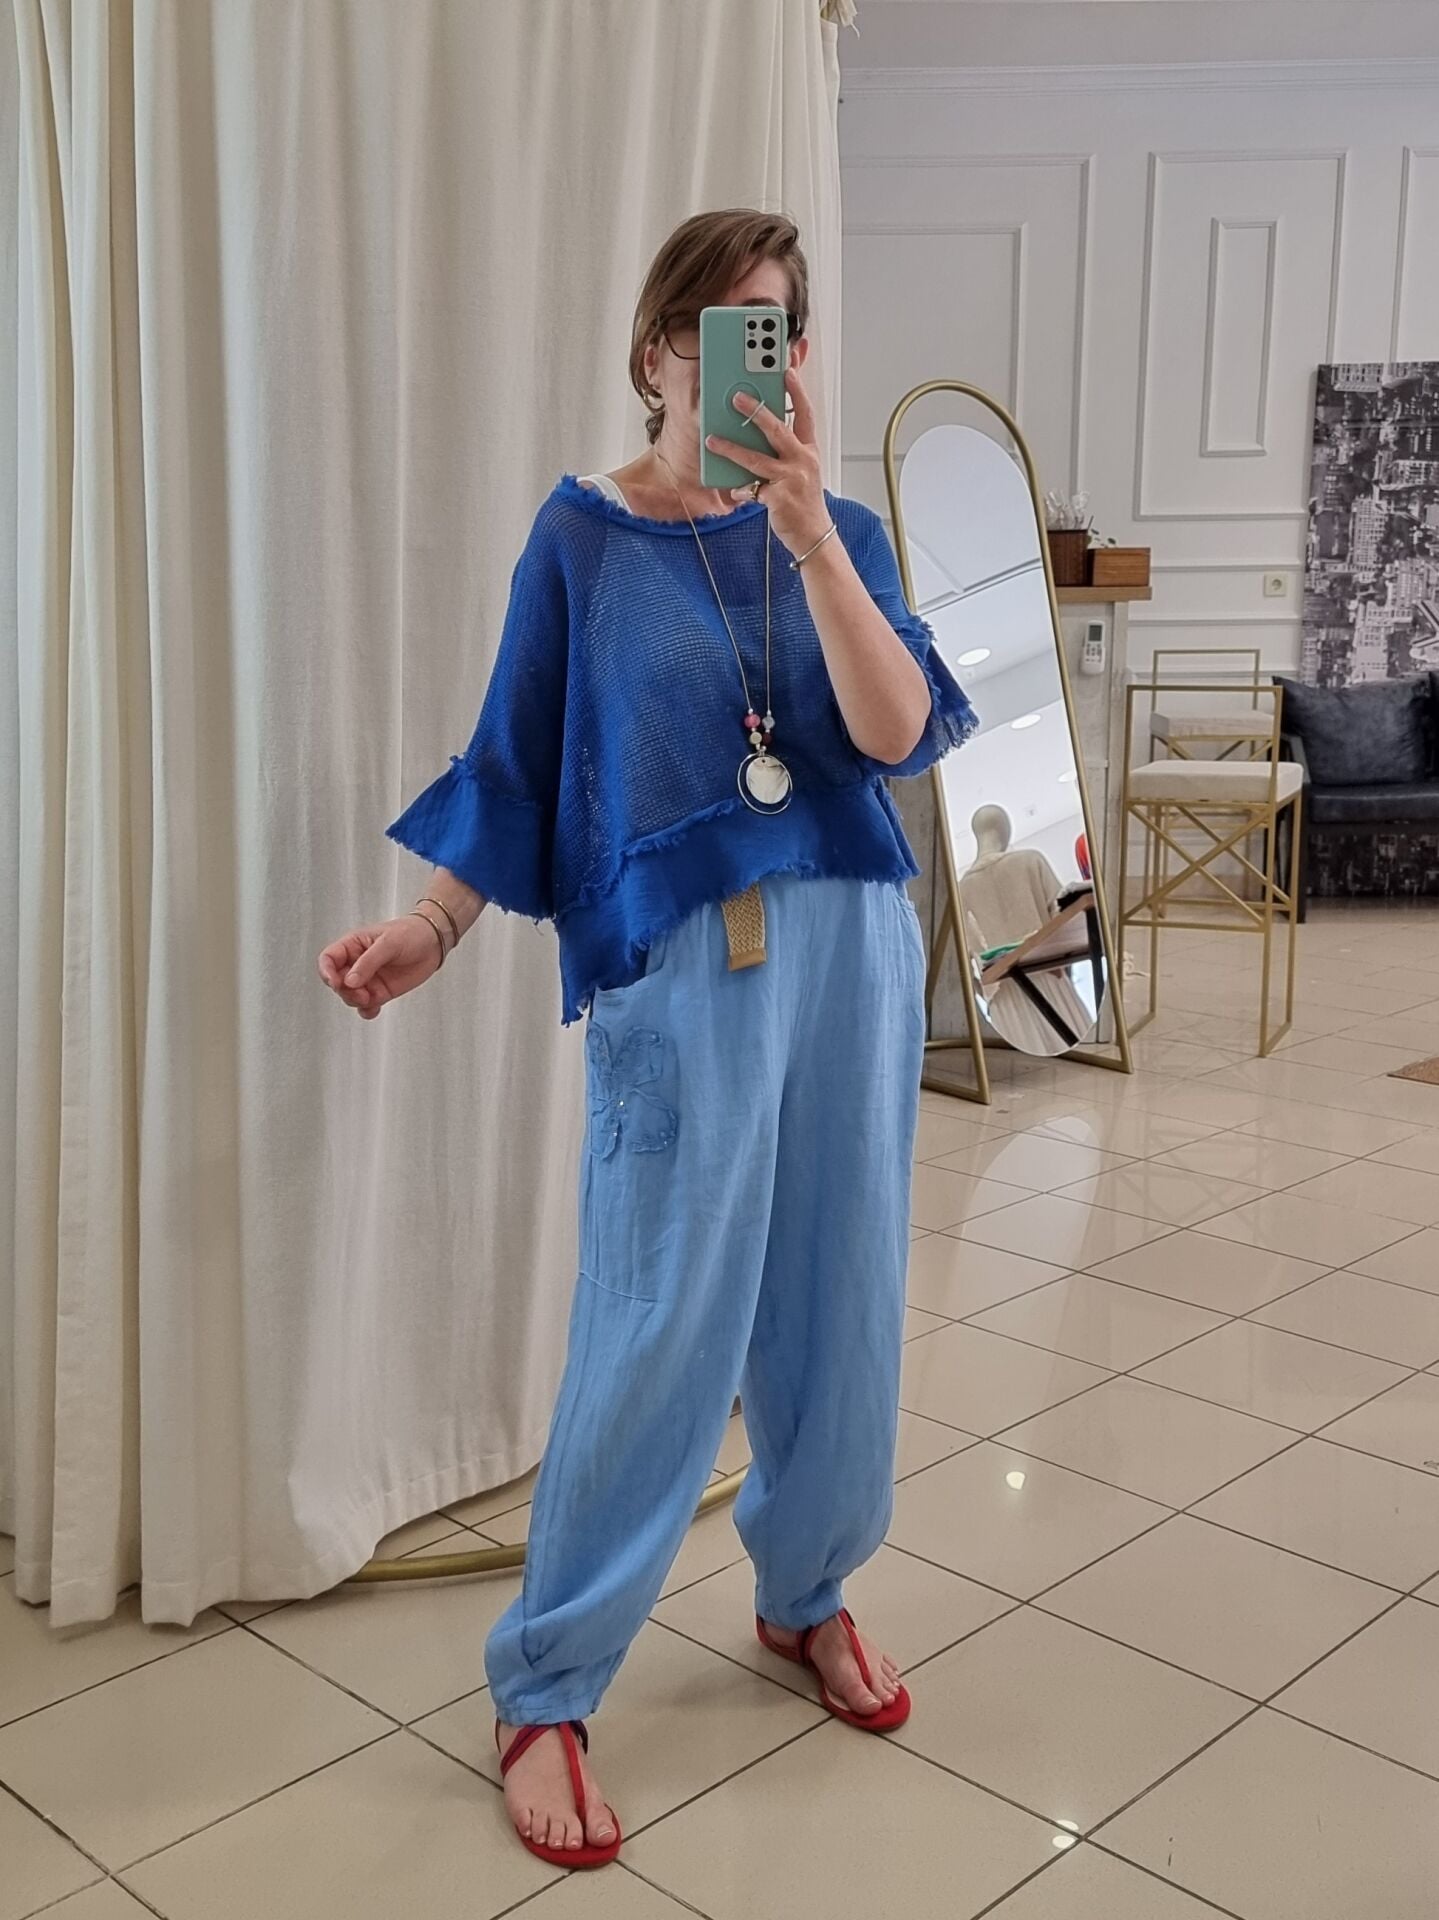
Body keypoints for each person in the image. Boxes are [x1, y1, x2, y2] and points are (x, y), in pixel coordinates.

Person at [317, 207, 976, 1870]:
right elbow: (519, 761)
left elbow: (897, 733)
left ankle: (808, 1591)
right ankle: (546, 1684)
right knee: (656, 1319)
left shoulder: (843, 532)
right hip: (686, 982)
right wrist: (432, 927)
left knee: (843, 1302)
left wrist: (811, 541)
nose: (762, 358)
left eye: (783, 330)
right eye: (725, 328)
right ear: (659, 351)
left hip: (849, 958)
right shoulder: (584, 540)